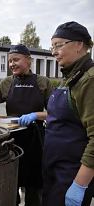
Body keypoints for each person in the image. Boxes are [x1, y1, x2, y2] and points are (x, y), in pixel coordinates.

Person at [0, 44, 53, 206]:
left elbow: (53, 113)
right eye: (9, 61)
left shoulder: (43, 82)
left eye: (16, 60)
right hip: (11, 140)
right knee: (11, 180)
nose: (12, 64)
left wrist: (36, 115)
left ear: (28, 61)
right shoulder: (6, 83)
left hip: (36, 140)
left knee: (34, 185)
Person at [42, 21, 94, 206]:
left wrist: (79, 185)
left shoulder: (89, 80)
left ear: (79, 44)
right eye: (52, 46)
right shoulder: (70, 77)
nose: (53, 52)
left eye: (58, 45)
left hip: (70, 176)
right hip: (55, 171)